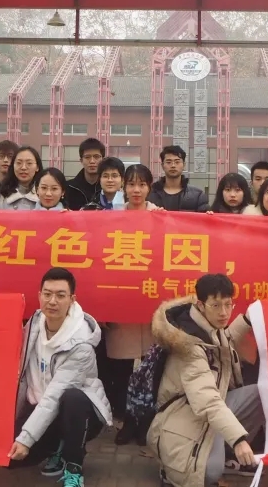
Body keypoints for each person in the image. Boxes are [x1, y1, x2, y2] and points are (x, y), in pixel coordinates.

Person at [148, 273, 263, 487]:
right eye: (216, 305)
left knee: (260, 394)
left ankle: (226, 453)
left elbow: (224, 341)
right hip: (183, 414)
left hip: (207, 406)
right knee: (209, 472)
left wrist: (246, 320)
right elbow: (207, 400)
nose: (224, 312)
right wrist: (238, 439)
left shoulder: (205, 325)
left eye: (228, 305)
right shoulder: (188, 344)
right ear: (201, 305)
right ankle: (169, 472)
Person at [9, 268, 112, 487]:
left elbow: (54, 396)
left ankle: (74, 465)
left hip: (78, 414)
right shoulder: (34, 324)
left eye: (60, 295)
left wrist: (26, 439)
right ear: (39, 296)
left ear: (72, 299)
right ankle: (56, 446)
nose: (52, 301)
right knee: (7, 458)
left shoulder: (81, 345)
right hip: (39, 406)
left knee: (72, 398)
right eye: (47, 294)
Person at [108, 167, 158, 445]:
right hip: (122, 300)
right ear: (123, 188)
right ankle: (127, 421)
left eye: (141, 185)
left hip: (151, 300)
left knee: (151, 368)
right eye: (131, 185)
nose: (136, 190)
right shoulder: (111, 218)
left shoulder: (162, 218)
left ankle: (146, 422)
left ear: (150, 187)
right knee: (123, 370)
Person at [148, 146, 208, 212]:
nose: (173, 165)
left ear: (184, 165)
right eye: (168, 162)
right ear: (162, 165)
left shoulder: (197, 195)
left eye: (177, 162)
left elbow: (204, 217)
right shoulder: (150, 193)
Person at [0, 146, 43, 210]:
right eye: (19, 163)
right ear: (13, 166)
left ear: (37, 167)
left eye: (29, 163)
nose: (23, 167)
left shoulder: (45, 196)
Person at [65, 138, 107, 211]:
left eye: (96, 157)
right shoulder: (69, 188)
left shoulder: (108, 187)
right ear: (81, 160)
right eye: (87, 157)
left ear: (103, 160)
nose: (92, 161)